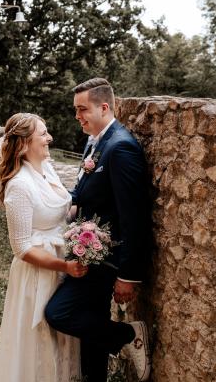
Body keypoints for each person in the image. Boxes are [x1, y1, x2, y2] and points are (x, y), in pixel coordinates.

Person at [45, 78, 153, 382]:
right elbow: (83, 191)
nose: (77, 116)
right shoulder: (96, 142)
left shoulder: (121, 148)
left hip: (106, 259)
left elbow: (134, 216)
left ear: (104, 107)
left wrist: (127, 275)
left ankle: (127, 334)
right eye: (76, 110)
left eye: (83, 109)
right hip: (88, 252)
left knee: (59, 314)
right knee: (91, 331)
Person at [0, 113, 84, 382]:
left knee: (61, 339)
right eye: (43, 134)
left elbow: (60, 211)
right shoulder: (19, 186)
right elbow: (21, 247)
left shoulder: (47, 168)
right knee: (40, 339)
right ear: (24, 143)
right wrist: (64, 265)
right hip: (38, 273)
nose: (50, 138)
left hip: (61, 261)